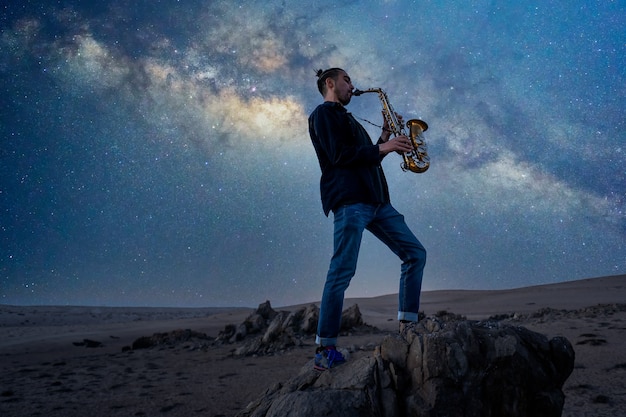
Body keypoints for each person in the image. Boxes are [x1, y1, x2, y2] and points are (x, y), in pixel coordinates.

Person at [308, 68, 427, 371]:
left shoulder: (348, 119)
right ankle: (324, 349)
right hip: (350, 202)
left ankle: (408, 326)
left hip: (377, 201)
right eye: (347, 80)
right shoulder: (323, 114)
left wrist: (385, 138)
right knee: (342, 271)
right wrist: (383, 146)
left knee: (415, 253)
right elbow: (339, 156)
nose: (353, 85)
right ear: (330, 83)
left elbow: (366, 157)